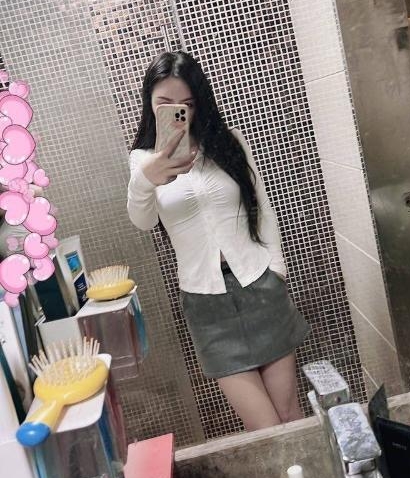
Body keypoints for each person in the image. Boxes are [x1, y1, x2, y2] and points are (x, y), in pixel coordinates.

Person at [127, 51, 310, 431]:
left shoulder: (229, 143)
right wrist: (147, 178)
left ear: (200, 103)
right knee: (265, 429)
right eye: (165, 103)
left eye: (188, 104)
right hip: (206, 302)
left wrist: (277, 270)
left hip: (260, 287)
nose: (178, 112)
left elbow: (262, 205)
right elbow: (143, 221)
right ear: (149, 102)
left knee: (290, 417)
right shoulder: (142, 160)